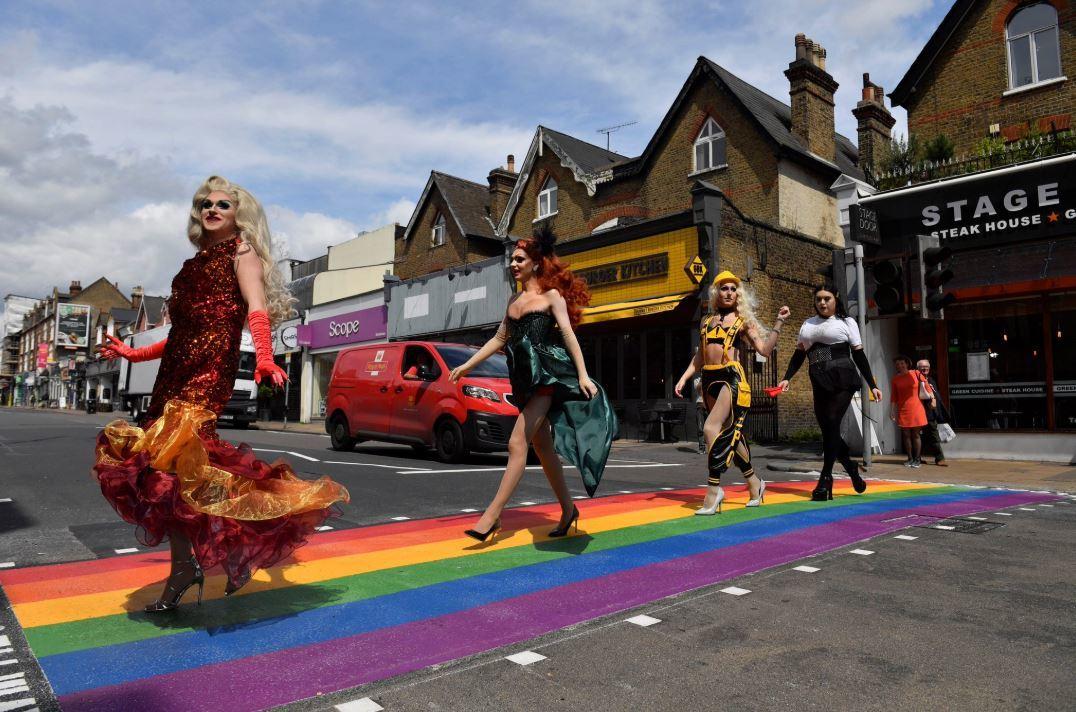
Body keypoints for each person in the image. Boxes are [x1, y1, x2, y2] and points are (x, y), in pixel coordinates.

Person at [95, 176, 350, 612]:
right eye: (205, 204)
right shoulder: (192, 265)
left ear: (238, 214)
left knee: (176, 462)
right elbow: (179, 334)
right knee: (166, 475)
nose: (211, 210)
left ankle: (239, 544)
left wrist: (266, 358)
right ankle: (185, 566)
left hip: (209, 371)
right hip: (175, 371)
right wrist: (134, 355)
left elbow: (256, 308)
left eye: (223, 205)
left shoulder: (241, 251)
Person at [449, 227, 616, 541]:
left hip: (546, 377)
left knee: (516, 444)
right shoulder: (513, 300)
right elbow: (500, 338)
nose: (513, 264)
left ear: (536, 263)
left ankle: (492, 516)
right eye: (512, 259)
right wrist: (466, 366)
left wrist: (582, 374)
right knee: (542, 447)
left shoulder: (550, 297)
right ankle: (568, 510)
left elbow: (568, 335)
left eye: (520, 259)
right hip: (523, 379)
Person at [674, 271, 790, 514]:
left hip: (731, 379)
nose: (729, 292)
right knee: (733, 438)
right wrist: (684, 378)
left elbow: (764, 350)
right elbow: (699, 357)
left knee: (710, 429)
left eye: (733, 289)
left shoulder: (743, 321)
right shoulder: (707, 321)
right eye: (724, 288)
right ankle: (755, 484)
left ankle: (714, 491)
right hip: (708, 378)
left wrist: (778, 323)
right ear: (717, 293)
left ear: (738, 295)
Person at [778, 286, 882, 501]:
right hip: (818, 379)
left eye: (827, 299)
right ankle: (852, 470)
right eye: (818, 299)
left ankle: (825, 479)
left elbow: (859, 355)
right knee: (829, 431)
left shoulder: (846, 322)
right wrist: (787, 377)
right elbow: (799, 355)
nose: (822, 303)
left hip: (842, 377)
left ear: (836, 300)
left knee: (833, 421)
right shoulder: (807, 323)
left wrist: (872, 384)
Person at [890, 355, 932, 468]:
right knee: (906, 435)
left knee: (916, 435)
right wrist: (892, 410)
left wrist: (933, 399)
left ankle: (917, 459)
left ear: (907, 364)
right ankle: (910, 458)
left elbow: (927, 386)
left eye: (902, 363)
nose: (900, 365)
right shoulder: (895, 379)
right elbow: (894, 396)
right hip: (903, 409)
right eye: (898, 364)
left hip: (917, 407)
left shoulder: (916, 373)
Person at [916, 359, 948, 466]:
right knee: (920, 437)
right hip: (919, 413)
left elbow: (936, 396)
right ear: (917, 369)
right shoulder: (916, 381)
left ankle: (938, 458)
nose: (924, 369)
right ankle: (919, 458)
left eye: (927, 367)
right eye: (922, 367)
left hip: (931, 413)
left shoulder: (931, 380)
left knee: (932, 436)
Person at [693, 374, 706, 454]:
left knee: (712, 427)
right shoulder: (697, 379)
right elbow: (698, 390)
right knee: (700, 427)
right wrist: (702, 379)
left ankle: (713, 447)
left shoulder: (711, 377)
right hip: (700, 404)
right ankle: (702, 448)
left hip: (709, 405)